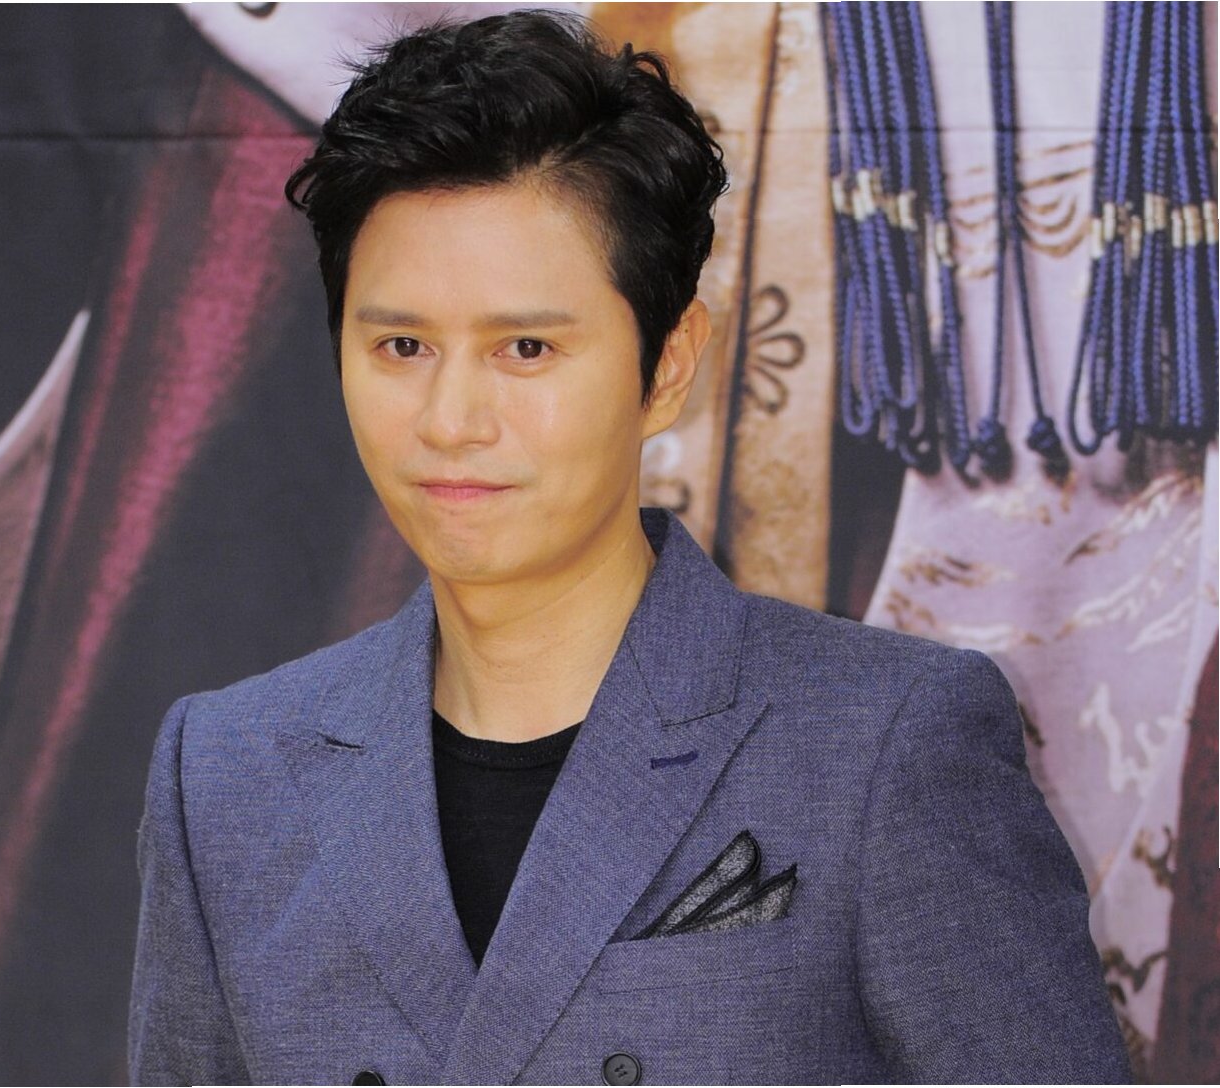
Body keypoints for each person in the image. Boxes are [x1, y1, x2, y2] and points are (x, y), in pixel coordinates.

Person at [128, 9, 1132, 1085]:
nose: (450, 420)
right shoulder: (227, 771)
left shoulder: (884, 745)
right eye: (402, 346)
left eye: (525, 347)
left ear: (667, 366)